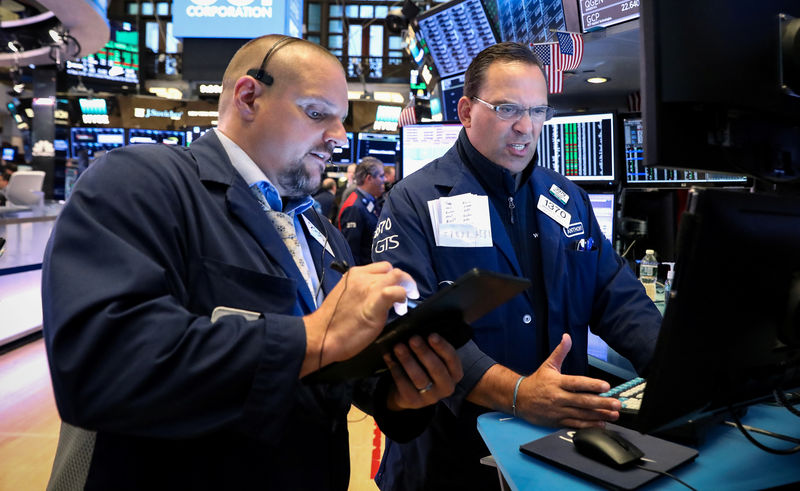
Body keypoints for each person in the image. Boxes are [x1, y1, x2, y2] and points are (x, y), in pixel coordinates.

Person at [41, 35, 463, 490]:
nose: (339, 137)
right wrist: (313, 335)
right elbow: (100, 364)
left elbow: (327, 374)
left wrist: (398, 394)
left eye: (341, 121)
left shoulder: (323, 234)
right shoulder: (141, 181)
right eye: (318, 113)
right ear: (248, 97)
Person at [371, 42, 663, 490]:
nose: (527, 127)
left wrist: (676, 370)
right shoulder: (414, 201)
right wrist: (515, 393)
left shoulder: (567, 199)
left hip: (554, 448)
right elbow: (413, 329)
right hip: (451, 456)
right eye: (508, 109)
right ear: (467, 112)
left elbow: (618, 300)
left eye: (539, 110)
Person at [338, 156, 385, 265]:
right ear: (369, 178)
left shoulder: (369, 201)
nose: (385, 180)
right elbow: (350, 252)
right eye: (381, 176)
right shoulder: (354, 207)